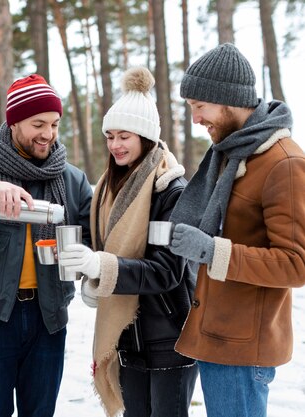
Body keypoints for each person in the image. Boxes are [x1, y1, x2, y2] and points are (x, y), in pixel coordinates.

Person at [0, 74, 93, 417]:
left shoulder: (70, 178)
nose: (48, 134)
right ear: (14, 122)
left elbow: (94, 235)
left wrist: (77, 251)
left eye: (54, 124)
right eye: (38, 123)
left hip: (49, 316)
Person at [167, 43, 305, 417]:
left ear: (227, 100)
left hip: (243, 349)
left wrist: (213, 251)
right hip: (215, 337)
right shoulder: (230, 154)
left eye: (199, 106)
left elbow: (296, 265)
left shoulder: (283, 164)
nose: (195, 118)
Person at [58, 67, 198, 417]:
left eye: (125, 136)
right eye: (110, 136)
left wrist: (101, 267)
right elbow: (105, 246)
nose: (115, 145)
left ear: (146, 138)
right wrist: (92, 275)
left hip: (170, 338)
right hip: (129, 336)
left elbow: (167, 271)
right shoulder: (108, 189)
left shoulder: (171, 191)